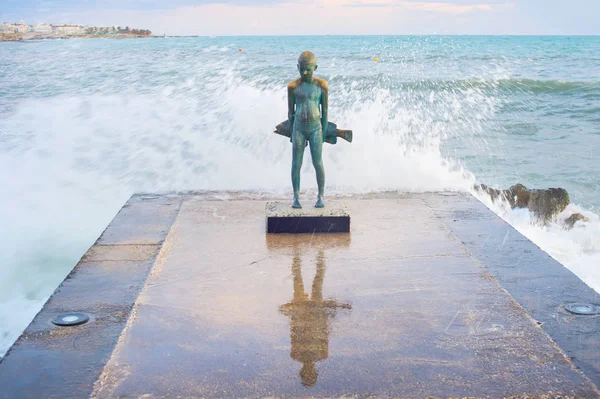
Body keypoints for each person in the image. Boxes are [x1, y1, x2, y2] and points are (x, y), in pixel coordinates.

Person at [287, 51, 328, 209]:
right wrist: (291, 133)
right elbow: (290, 112)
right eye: (302, 69)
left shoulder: (321, 86)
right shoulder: (293, 87)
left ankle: (321, 195)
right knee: (296, 163)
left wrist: (323, 134)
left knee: (317, 162)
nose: (305, 73)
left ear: (315, 68)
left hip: (315, 128)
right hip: (298, 129)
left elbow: (325, 112)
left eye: (308, 70)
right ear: (297, 67)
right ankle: (296, 196)